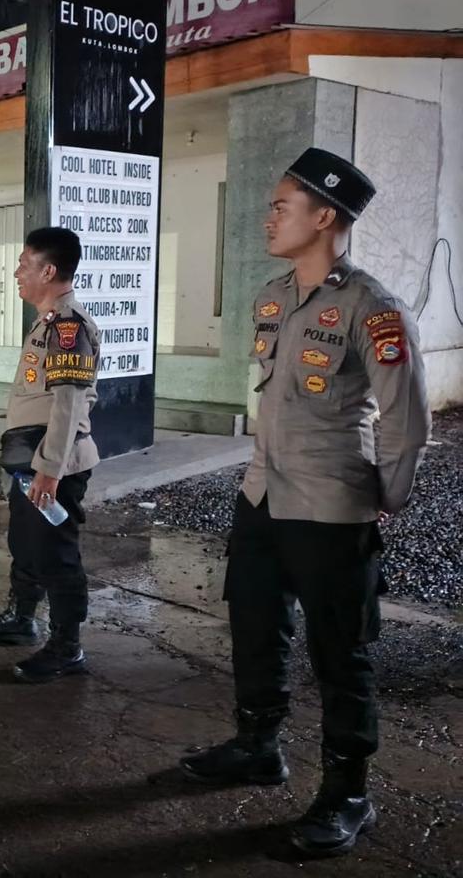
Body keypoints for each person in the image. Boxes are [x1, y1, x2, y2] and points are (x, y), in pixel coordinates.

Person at [179, 148, 431, 858]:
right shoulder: (272, 296)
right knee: (255, 626)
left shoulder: (374, 308)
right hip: (262, 493)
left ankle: (348, 795)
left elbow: (407, 421)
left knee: (339, 653)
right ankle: (258, 746)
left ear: (324, 217)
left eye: (281, 207)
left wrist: (384, 496)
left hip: (330, 505)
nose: (268, 218)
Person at [0, 227, 100, 682]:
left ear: (48, 271)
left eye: (25, 264)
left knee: (56, 555)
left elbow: (68, 406)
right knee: (26, 545)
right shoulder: (46, 321)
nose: (16, 272)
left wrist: (49, 471)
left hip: (53, 463)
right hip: (32, 458)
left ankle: (67, 647)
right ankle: (21, 617)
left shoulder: (68, 327)